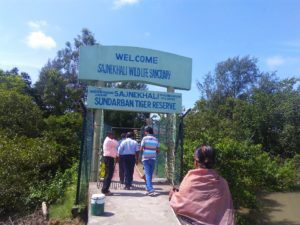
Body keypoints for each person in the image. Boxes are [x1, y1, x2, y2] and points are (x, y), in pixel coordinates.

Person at [169, 146, 235, 225]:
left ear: (196, 162)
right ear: (214, 162)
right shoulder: (223, 183)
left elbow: (180, 203)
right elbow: (226, 210)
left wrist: (174, 194)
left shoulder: (190, 179)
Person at [140, 126, 160, 196]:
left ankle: (150, 189)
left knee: (148, 174)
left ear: (147, 132)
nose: (144, 132)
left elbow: (141, 148)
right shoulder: (156, 139)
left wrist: (144, 150)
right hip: (153, 158)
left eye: (145, 131)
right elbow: (158, 150)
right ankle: (148, 188)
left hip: (145, 158)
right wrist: (153, 151)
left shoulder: (144, 138)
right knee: (150, 174)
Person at [101, 131, 119, 196]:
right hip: (108, 158)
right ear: (109, 135)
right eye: (112, 135)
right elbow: (117, 144)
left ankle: (105, 189)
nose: (113, 136)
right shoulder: (109, 141)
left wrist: (116, 156)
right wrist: (114, 139)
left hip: (109, 158)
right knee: (108, 175)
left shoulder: (110, 141)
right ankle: (105, 190)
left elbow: (114, 149)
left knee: (109, 174)